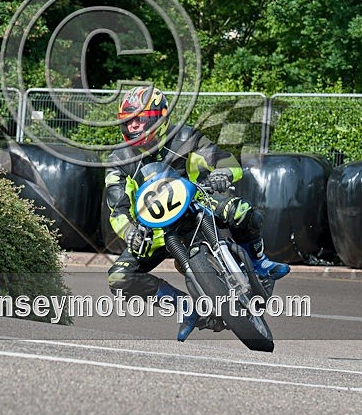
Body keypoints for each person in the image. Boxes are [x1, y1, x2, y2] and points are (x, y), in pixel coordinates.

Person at [104, 85, 290, 341]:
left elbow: (224, 159)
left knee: (241, 211)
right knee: (118, 278)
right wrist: (131, 233)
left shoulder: (185, 137)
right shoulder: (117, 159)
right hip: (154, 230)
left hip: (198, 205)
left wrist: (223, 173)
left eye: (140, 119)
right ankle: (183, 307)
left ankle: (260, 262)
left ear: (159, 116)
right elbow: (117, 207)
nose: (134, 126)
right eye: (128, 122)